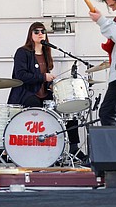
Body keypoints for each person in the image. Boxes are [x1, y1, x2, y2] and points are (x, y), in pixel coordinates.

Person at [8, 22, 86, 163]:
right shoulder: (22, 52)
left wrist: (51, 85)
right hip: (27, 94)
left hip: (44, 94)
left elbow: (45, 77)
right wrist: (44, 77)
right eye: (36, 31)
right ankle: (36, 150)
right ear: (30, 35)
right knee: (34, 105)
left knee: (68, 107)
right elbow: (21, 75)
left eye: (42, 31)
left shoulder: (46, 52)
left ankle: (74, 148)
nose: (40, 33)